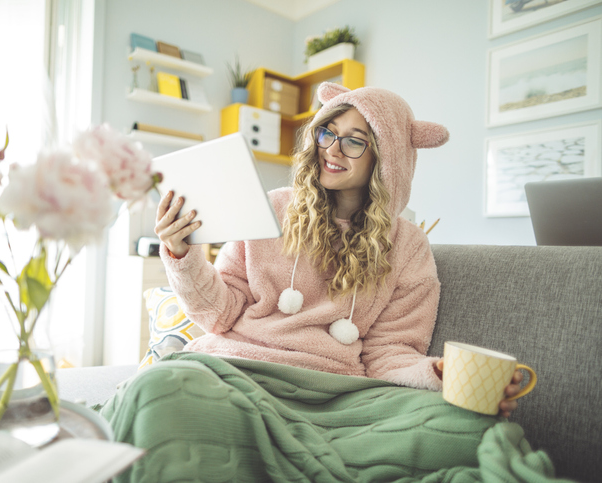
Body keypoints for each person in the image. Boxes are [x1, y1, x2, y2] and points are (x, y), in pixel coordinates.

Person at [97, 84, 555, 482]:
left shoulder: (409, 246)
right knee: (162, 392)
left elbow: (388, 355)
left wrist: (435, 375)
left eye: (355, 142)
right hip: (239, 374)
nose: (332, 149)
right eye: (327, 133)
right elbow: (219, 312)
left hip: (338, 397)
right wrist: (181, 254)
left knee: (471, 429)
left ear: (386, 158)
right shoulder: (272, 208)